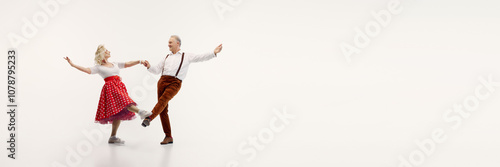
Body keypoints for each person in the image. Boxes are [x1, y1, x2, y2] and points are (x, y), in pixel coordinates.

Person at [142, 35, 223, 145]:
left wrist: (214, 53)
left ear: (178, 43)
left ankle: (149, 118)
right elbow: (156, 70)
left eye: (170, 42)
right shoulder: (166, 57)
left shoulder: (186, 56)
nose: (168, 44)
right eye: (168, 42)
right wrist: (149, 66)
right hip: (162, 81)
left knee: (163, 101)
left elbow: (201, 57)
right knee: (163, 110)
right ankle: (168, 136)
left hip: (175, 83)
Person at [63, 44, 152, 144]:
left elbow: (127, 64)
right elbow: (87, 70)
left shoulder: (114, 64)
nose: (109, 51)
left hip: (119, 86)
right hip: (110, 88)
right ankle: (141, 112)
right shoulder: (98, 67)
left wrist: (139, 61)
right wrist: (73, 64)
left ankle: (113, 137)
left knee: (119, 112)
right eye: (106, 50)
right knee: (125, 102)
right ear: (102, 54)